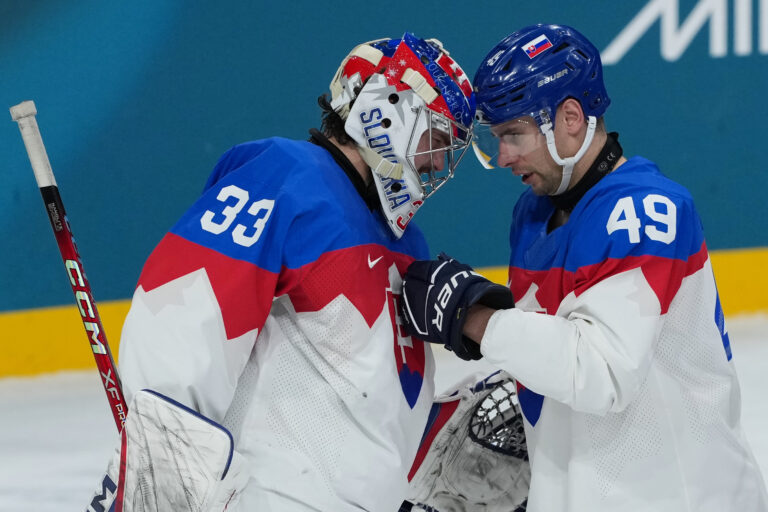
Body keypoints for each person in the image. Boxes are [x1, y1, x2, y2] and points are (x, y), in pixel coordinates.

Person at [87, 32, 475, 512]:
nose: (438, 162)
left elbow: (373, 406)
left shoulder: (406, 243)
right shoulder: (285, 177)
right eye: (435, 138)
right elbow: (185, 307)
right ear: (386, 110)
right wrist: (161, 469)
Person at [398, 24, 768, 511]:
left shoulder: (645, 209)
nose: (503, 156)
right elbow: (561, 354)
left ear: (570, 117)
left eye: (513, 134)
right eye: (497, 138)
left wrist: (472, 317)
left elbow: (601, 370)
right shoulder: (532, 215)